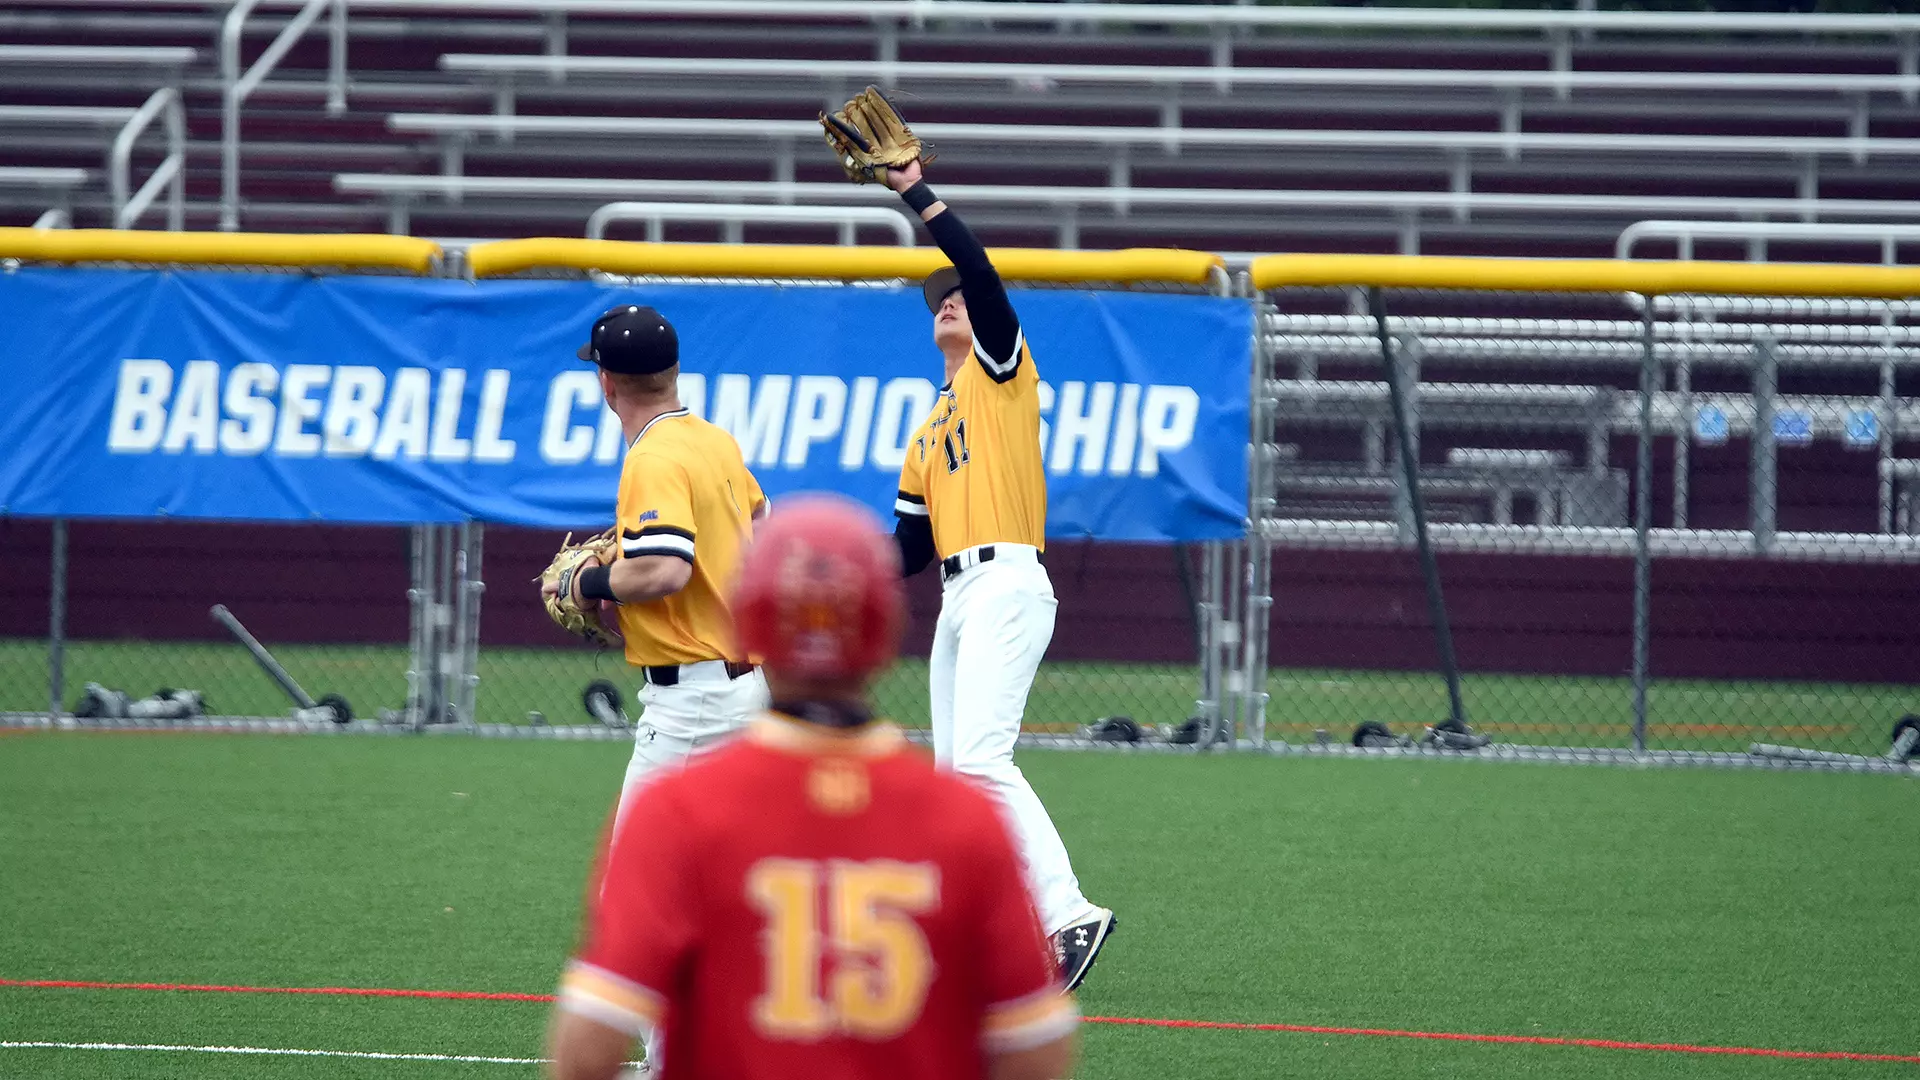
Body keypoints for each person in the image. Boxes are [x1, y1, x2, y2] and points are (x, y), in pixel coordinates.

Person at [545, 494, 1080, 1080]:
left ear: (749, 620)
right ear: (886, 631)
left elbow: (589, 1048)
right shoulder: (966, 820)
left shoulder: (678, 810)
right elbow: (1037, 1050)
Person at [874, 156, 1116, 991]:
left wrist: (916, 194)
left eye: (958, 297)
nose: (951, 300)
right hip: (957, 595)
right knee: (955, 782)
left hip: (1010, 581)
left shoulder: (1002, 374)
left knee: (979, 762)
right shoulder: (928, 426)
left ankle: (1069, 914)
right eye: (936, 298)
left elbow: (979, 271)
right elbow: (905, 548)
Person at [540, 303, 770, 829]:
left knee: (633, 888)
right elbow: (761, 522)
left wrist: (587, 581)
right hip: (736, 685)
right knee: (715, 878)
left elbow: (666, 570)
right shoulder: (713, 440)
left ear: (606, 383)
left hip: (695, 704)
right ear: (674, 372)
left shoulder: (653, 458)